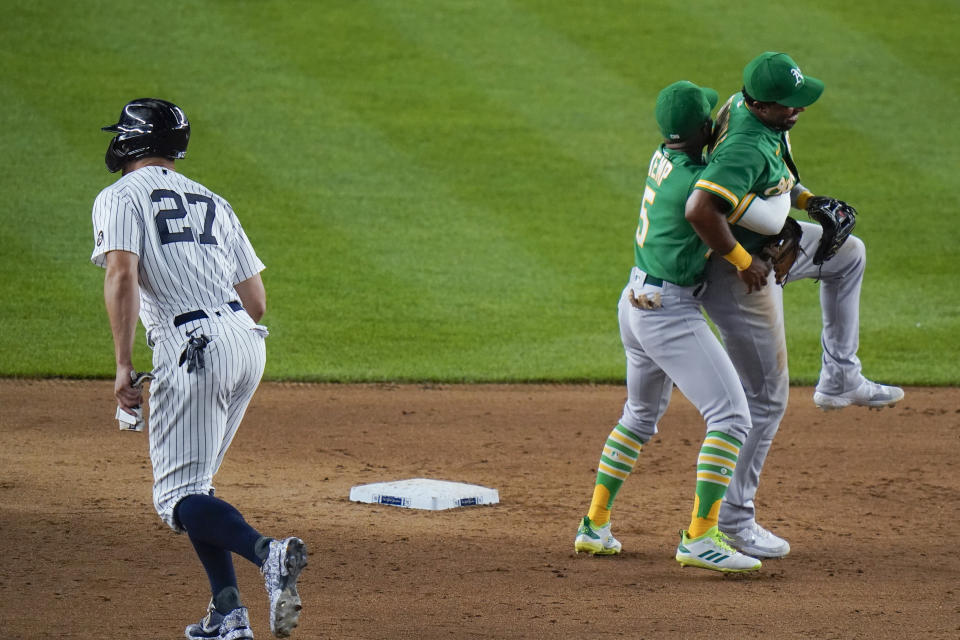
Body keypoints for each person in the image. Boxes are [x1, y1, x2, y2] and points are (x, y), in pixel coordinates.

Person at [91, 98, 307, 639]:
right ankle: (227, 612)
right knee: (197, 487)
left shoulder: (119, 196)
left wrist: (122, 365)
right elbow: (255, 300)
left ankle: (268, 553)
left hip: (194, 346)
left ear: (132, 140)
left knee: (176, 499)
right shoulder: (213, 200)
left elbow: (121, 276)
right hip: (246, 343)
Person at [687, 52, 905, 559]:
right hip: (740, 272)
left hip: (775, 243)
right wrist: (743, 260)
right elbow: (701, 208)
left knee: (848, 254)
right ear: (759, 105)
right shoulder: (741, 144)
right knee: (763, 400)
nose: (799, 110)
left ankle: (840, 377)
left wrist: (811, 203)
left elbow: (777, 178)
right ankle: (735, 521)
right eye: (789, 106)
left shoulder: (755, 113)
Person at [573, 81, 772, 573]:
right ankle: (700, 538)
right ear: (704, 128)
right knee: (732, 418)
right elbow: (716, 211)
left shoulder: (664, 156)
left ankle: (594, 525)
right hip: (668, 312)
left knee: (639, 416)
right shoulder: (696, 185)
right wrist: (746, 260)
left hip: (635, 304)